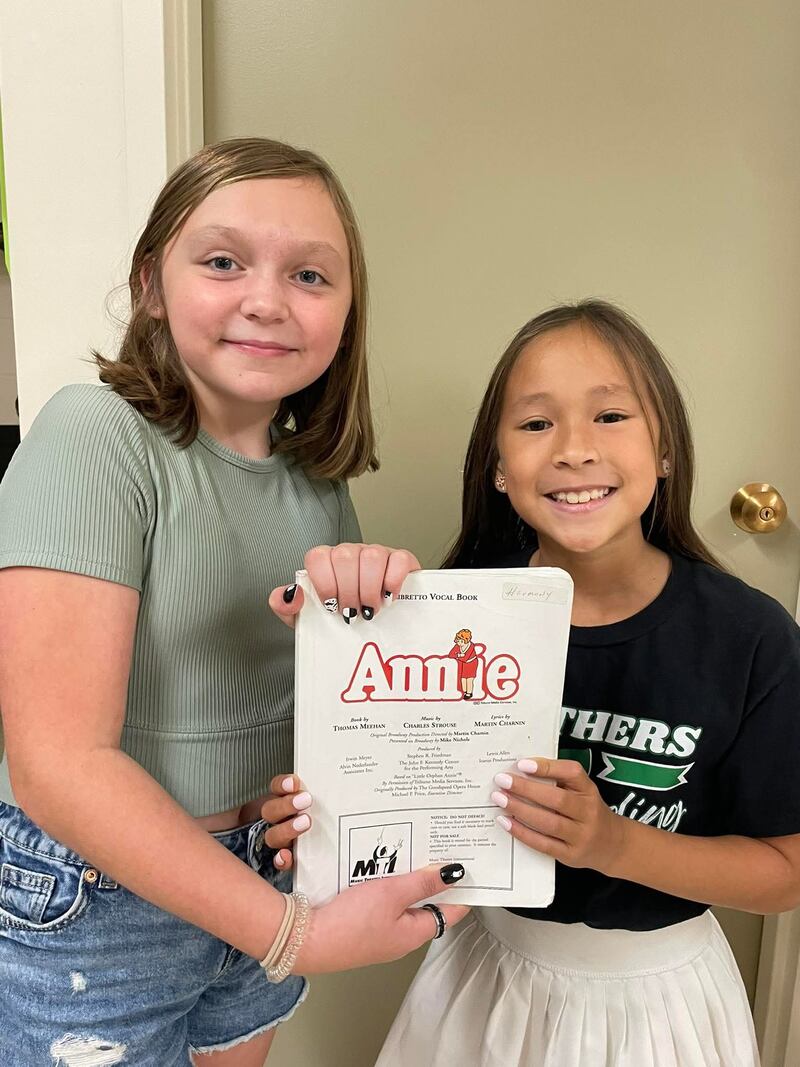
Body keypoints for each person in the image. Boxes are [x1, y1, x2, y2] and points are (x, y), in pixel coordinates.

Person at [0, 138, 467, 1066]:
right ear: (149, 282)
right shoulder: (95, 435)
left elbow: (323, 719)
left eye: (309, 274)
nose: (266, 298)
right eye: (222, 261)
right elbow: (57, 761)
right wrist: (296, 935)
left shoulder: (315, 484)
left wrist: (370, 629)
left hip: (267, 872)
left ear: (346, 312)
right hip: (99, 905)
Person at [275, 300, 800, 1065]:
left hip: (663, 1005)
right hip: (487, 983)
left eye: (612, 414)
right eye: (535, 424)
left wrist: (613, 842)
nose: (575, 450)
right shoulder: (449, 611)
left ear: (664, 450)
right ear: (496, 466)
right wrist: (346, 621)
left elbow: (785, 871)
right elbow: (389, 800)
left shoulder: (751, 639)